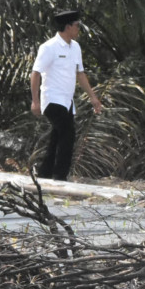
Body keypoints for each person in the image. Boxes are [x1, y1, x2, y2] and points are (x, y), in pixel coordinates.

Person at [30, 9, 102, 181]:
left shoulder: (75, 47)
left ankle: (45, 174)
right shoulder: (49, 47)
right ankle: (60, 176)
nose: (79, 29)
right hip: (52, 99)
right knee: (68, 134)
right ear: (68, 26)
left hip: (67, 101)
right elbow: (35, 73)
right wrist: (35, 101)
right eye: (77, 26)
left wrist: (93, 97)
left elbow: (80, 74)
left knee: (57, 136)